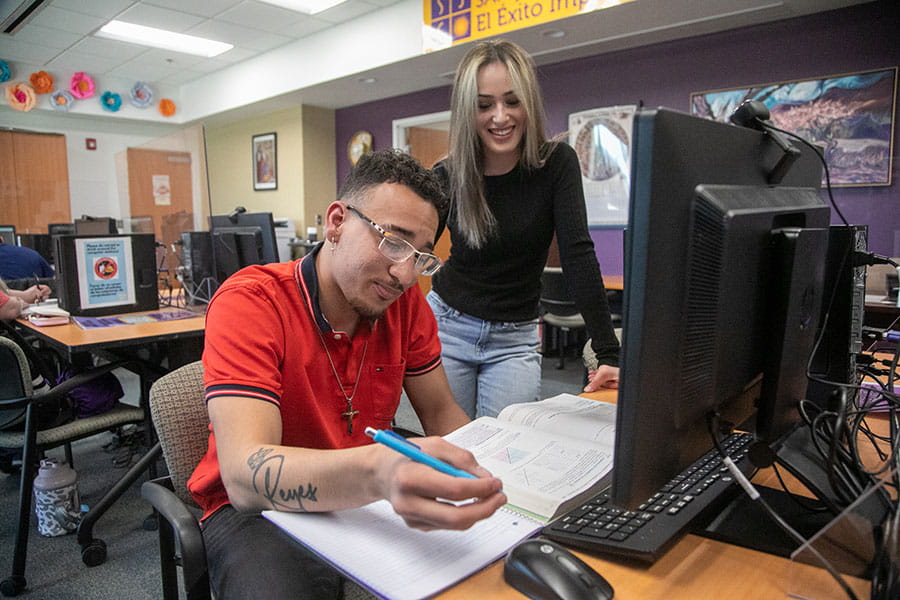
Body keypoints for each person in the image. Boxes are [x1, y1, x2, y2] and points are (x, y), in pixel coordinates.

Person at [188, 149, 506, 600]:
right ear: (336, 222)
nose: (404, 274)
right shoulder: (252, 301)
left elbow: (442, 414)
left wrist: (500, 471)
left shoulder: (404, 303)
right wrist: (378, 472)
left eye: (421, 257)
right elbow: (244, 476)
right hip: (262, 509)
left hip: (364, 493)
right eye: (394, 242)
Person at [427, 39, 621, 419]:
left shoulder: (556, 165)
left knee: (503, 456)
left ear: (528, 101)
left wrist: (608, 352)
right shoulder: (449, 174)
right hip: (447, 329)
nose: (500, 117)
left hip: (513, 338)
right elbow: (409, 253)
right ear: (469, 111)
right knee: (453, 457)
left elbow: (578, 255)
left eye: (511, 101)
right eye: (485, 105)